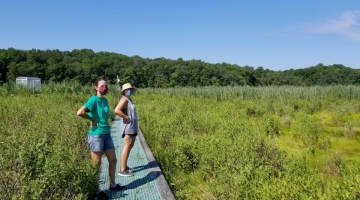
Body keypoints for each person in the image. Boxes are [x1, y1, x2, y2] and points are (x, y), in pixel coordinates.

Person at [77, 78, 126, 199]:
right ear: (96, 87)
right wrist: (92, 119)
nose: (105, 88)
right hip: (96, 134)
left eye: (106, 86)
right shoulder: (93, 99)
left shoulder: (105, 100)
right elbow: (80, 112)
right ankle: (97, 191)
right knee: (97, 164)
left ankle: (112, 185)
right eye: (102, 86)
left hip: (106, 133)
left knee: (113, 160)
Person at [114, 83, 138, 177]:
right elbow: (117, 110)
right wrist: (125, 117)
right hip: (128, 127)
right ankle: (122, 169)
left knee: (130, 146)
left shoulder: (129, 99)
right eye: (127, 89)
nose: (129, 90)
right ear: (124, 91)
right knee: (127, 147)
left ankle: (125, 166)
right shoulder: (124, 99)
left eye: (130, 89)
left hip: (132, 126)